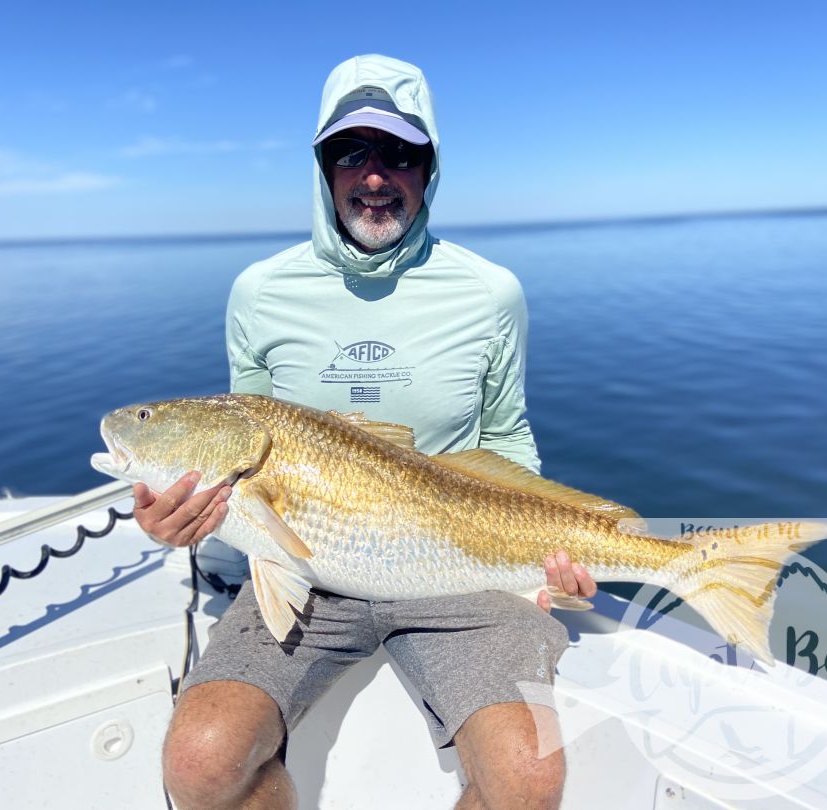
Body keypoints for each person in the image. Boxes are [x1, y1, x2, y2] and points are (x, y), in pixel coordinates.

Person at [132, 54, 597, 810]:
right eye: (351, 150)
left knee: (527, 780)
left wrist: (544, 557)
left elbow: (507, 439)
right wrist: (180, 517)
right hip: (309, 567)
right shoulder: (259, 293)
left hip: (456, 562)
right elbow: (247, 441)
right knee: (199, 760)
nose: (375, 175)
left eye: (401, 154)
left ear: (431, 167)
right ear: (321, 165)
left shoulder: (490, 293)